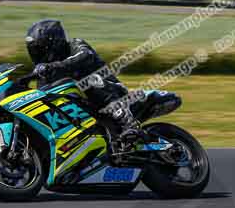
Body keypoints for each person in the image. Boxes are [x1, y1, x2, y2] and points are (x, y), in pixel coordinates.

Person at [25, 19, 146, 147]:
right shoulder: (46, 73)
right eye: (33, 50)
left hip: (114, 92)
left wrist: (54, 66)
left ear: (54, 43)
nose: (37, 54)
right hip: (87, 109)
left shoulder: (75, 45)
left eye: (39, 49)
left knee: (89, 81)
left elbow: (85, 56)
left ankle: (129, 123)